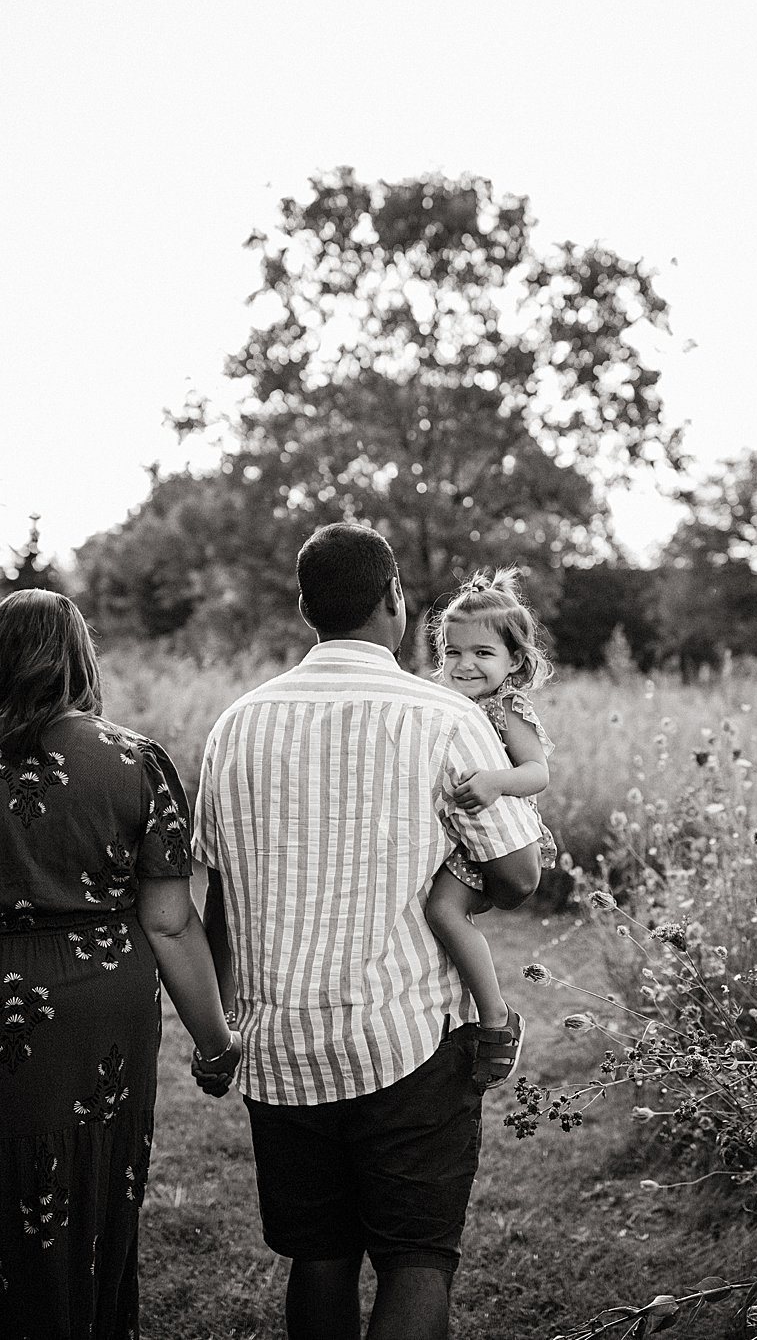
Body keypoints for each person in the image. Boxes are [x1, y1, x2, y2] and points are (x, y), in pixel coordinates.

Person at [192, 523, 544, 1340]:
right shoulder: (446, 714)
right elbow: (521, 876)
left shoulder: (234, 725)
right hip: (408, 1037)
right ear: (394, 599)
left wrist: (219, 1031)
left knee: (319, 1257)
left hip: (279, 1044)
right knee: (416, 1256)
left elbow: (220, 898)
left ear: (306, 606)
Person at [0, 589, 237, 1340]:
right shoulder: (137, 761)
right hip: (95, 1016)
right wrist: (215, 1041)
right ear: (80, 657)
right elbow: (169, 922)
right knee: (87, 1199)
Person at [423, 568, 561, 1090]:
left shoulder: (506, 707)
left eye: (483, 653)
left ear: (515, 661)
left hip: (494, 834)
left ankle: (497, 1020)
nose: (465, 665)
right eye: (454, 652)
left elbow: (537, 773)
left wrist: (495, 782)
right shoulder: (441, 699)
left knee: (444, 911)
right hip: (452, 830)